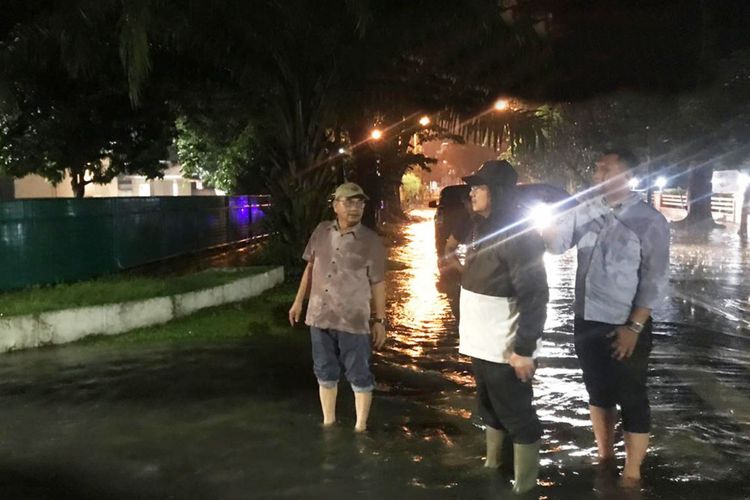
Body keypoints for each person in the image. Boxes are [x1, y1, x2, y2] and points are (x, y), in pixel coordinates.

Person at [542, 150, 670, 487]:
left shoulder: (649, 220)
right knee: (597, 390)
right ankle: (604, 456)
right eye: (597, 168)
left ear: (627, 176)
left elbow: (654, 279)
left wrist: (634, 327)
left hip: (626, 323)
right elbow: (556, 247)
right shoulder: (584, 210)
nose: (598, 174)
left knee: (631, 396)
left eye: (607, 169)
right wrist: (551, 223)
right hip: (587, 319)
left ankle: (632, 475)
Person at [458, 160, 549, 494]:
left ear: (497, 192)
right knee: (490, 409)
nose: (472, 192)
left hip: (504, 348)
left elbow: (535, 294)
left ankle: (524, 489)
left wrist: (524, 349)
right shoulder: (481, 227)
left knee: (518, 417)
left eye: (479, 187)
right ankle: (493, 469)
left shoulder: (519, 235)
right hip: (480, 344)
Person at [288, 182, 387, 432]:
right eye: (349, 202)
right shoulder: (321, 231)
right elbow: (310, 268)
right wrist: (299, 301)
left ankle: (360, 428)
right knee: (324, 371)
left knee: (359, 374)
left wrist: (380, 321)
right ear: (335, 205)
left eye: (360, 202)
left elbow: (378, 283)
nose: (355, 208)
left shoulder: (371, 241)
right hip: (319, 316)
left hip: (352, 320)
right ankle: (329, 424)